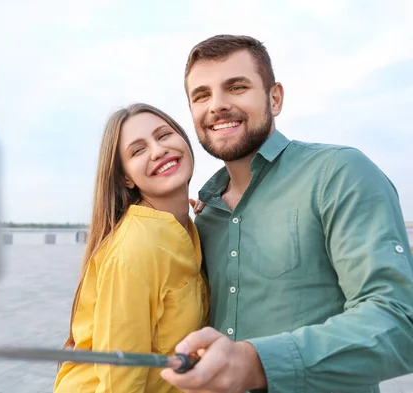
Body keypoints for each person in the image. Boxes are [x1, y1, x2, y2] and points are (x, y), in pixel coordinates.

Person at [158, 34, 413, 392]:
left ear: (274, 98)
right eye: (201, 95)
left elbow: (399, 321)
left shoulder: (338, 173)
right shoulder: (206, 219)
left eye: (236, 87)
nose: (216, 105)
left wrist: (256, 362)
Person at [53, 103, 210, 393]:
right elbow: (119, 384)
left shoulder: (188, 228)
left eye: (164, 135)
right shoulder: (135, 249)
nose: (158, 150)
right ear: (126, 178)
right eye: (138, 150)